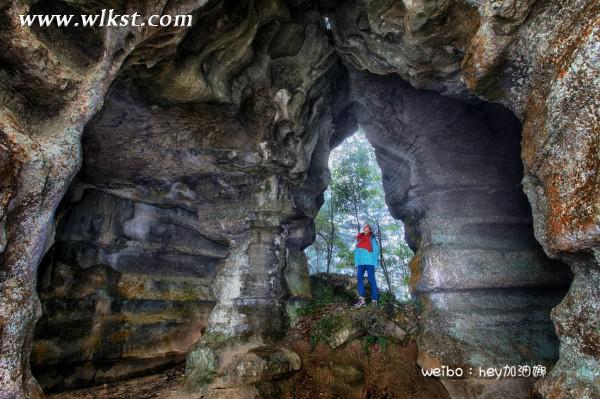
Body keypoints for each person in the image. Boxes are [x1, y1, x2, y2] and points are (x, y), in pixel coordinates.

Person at [353, 224, 379, 307]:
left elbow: (376, 251)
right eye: (364, 226)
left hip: (370, 262)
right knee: (359, 279)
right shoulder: (359, 239)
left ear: (370, 230)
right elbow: (356, 252)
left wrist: (375, 263)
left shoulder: (372, 238)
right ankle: (362, 300)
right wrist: (356, 263)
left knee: (372, 280)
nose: (365, 227)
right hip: (361, 263)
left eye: (367, 226)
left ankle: (374, 300)